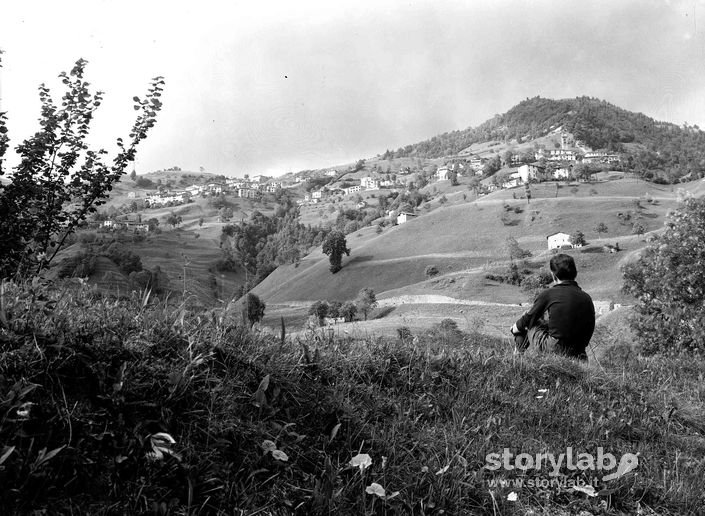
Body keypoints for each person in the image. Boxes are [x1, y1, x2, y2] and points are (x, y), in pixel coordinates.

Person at [510, 253, 595, 360]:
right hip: (579, 351)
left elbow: (529, 319)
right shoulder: (586, 298)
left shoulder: (549, 294)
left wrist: (515, 328)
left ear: (553, 275)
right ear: (575, 273)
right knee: (542, 321)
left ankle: (517, 357)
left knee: (527, 320)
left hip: (554, 348)